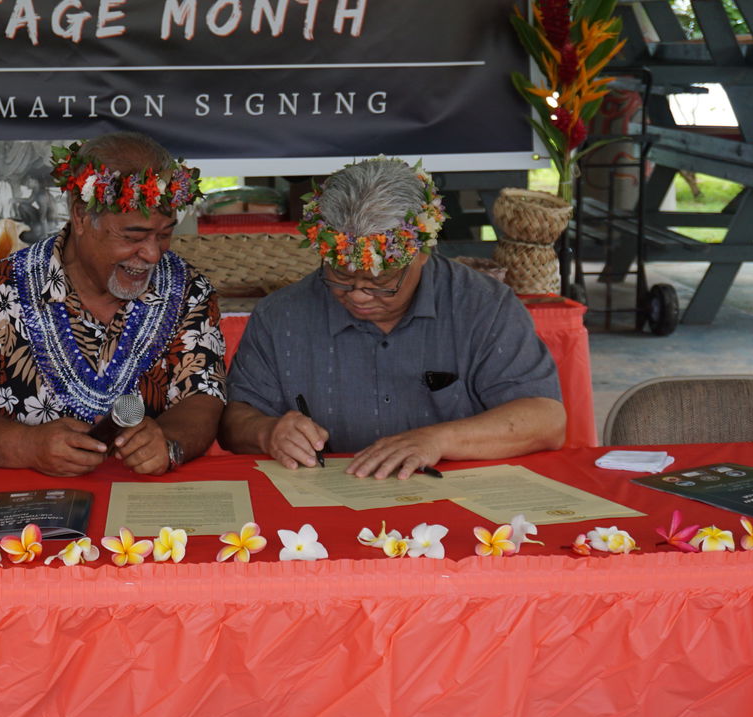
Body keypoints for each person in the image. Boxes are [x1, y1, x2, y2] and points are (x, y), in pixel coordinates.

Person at [219, 157, 565, 478]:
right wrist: (267, 433)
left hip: (455, 502)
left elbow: (545, 419)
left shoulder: (484, 306)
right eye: (340, 275)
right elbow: (235, 420)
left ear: (423, 253)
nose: (356, 294)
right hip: (325, 504)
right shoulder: (282, 315)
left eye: (379, 282)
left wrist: (438, 441)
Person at [0, 131, 225, 477]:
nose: (153, 253)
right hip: (24, 513)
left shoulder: (188, 290)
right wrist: (25, 446)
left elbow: (203, 397)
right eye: (133, 236)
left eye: (165, 234)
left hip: (146, 510)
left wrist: (169, 442)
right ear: (80, 217)